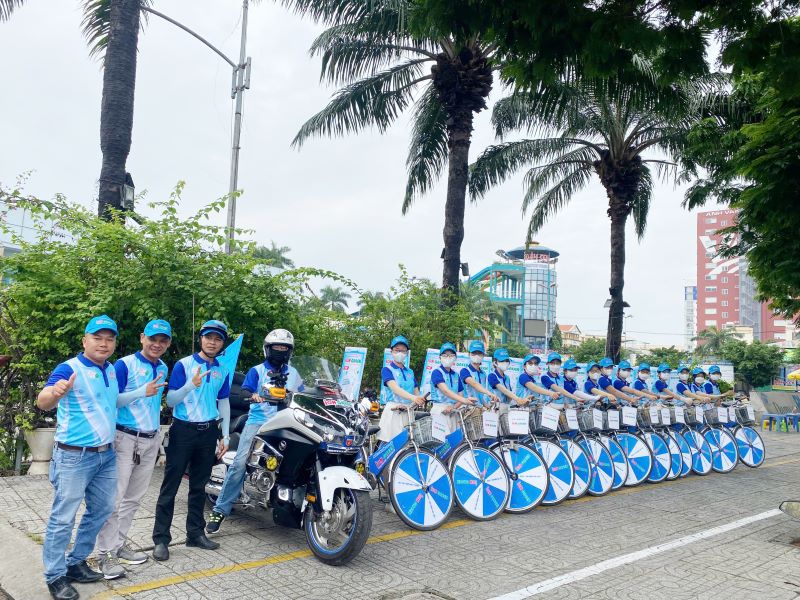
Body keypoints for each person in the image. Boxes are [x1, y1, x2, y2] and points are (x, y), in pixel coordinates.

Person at [37, 315, 121, 600]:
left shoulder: (110, 370)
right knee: (63, 518)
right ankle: (55, 576)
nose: (104, 343)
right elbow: (43, 401)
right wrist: (55, 392)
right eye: (97, 338)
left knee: (102, 509)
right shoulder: (69, 368)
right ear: (85, 341)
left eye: (109, 339)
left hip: (106, 456)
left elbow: (110, 403)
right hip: (74, 457)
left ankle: (76, 563)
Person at [95, 320, 172, 579]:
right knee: (114, 499)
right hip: (125, 438)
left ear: (168, 343)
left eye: (162, 340)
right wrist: (141, 391)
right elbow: (113, 401)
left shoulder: (163, 366)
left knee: (134, 498)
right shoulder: (124, 365)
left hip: (150, 439)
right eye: (153, 339)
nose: (157, 344)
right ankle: (104, 553)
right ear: (142, 338)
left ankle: (118, 544)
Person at [206, 329, 303, 534]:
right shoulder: (257, 371)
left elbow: (303, 393)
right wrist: (253, 395)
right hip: (259, 422)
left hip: (287, 422)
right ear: (267, 349)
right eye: (276, 347)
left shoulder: (294, 373)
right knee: (240, 463)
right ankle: (219, 510)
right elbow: (245, 390)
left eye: (284, 348)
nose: (280, 351)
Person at [152, 320, 231, 561]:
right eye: (208, 337)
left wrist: (225, 434)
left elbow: (223, 402)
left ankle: (195, 534)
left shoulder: (223, 369)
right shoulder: (184, 365)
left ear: (222, 343)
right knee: (170, 486)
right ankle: (161, 539)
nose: (212, 342)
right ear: (201, 339)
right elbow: (171, 401)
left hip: (208, 432)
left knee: (199, 486)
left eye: (217, 339)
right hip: (183, 430)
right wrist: (190, 385)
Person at [376, 336, 426, 443]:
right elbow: (394, 388)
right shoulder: (387, 369)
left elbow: (416, 392)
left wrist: (419, 400)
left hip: (408, 412)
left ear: (407, 353)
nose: (400, 353)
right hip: (393, 411)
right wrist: (414, 398)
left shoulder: (410, 372)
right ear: (391, 351)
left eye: (403, 350)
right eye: (397, 350)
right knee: (390, 445)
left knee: (408, 444)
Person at [430, 342, 474, 432]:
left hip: (453, 411)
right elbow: (445, 391)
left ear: (455, 358)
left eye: (451, 355)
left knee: (455, 438)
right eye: (445, 355)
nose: (448, 358)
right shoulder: (436, 372)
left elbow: (461, 395)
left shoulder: (456, 375)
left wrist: (453, 407)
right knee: (442, 438)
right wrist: (464, 400)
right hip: (440, 410)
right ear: (440, 357)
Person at [459, 341, 499, 408]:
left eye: (479, 353)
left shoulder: (483, 374)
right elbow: (474, 384)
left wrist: (488, 406)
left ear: (483, 355)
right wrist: (489, 393)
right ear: (469, 354)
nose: (477, 355)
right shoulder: (465, 371)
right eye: (474, 353)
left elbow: (480, 395)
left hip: (479, 409)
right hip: (467, 408)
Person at [488, 348, 528, 413]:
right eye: (502, 361)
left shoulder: (507, 378)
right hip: (494, 409)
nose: (505, 363)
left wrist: (521, 401)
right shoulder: (492, 376)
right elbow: (504, 390)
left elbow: (509, 396)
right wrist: (518, 399)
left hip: (505, 409)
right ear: (495, 362)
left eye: (507, 360)